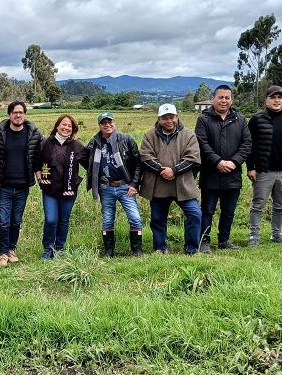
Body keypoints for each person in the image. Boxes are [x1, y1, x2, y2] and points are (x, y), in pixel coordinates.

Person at [139, 104, 202, 254]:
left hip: (183, 184)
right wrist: (163, 171)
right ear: (159, 119)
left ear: (177, 117)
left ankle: (191, 249)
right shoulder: (149, 135)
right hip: (158, 185)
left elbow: (192, 158)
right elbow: (146, 157)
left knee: (195, 214)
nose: (169, 121)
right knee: (157, 218)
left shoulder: (189, 135)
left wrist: (174, 170)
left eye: (171, 117)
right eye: (165, 118)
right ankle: (160, 248)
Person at [195, 85, 251, 252]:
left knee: (228, 211)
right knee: (207, 210)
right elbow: (202, 144)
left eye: (227, 98)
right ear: (214, 99)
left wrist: (234, 162)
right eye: (221, 97)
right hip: (210, 174)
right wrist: (218, 162)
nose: (224, 101)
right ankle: (204, 242)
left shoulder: (240, 120)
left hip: (232, 175)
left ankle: (224, 240)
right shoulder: (204, 119)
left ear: (231, 100)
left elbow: (247, 144)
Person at [0, 100, 44, 265]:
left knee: (16, 220)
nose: (18, 115)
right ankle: (3, 252)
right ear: (9, 115)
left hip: (22, 186)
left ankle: (11, 249)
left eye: (21, 112)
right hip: (4, 185)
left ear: (24, 115)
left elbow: (47, 147)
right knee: (3, 220)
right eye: (14, 112)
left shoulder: (33, 133)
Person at [85, 111, 143, 257]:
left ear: (114, 122)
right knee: (108, 219)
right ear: (99, 125)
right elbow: (87, 161)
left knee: (135, 218)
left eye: (109, 121)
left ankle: (137, 251)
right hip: (106, 188)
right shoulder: (94, 142)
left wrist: (134, 184)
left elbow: (138, 163)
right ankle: (109, 251)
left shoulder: (126, 139)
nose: (107, 125)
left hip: (125, 186)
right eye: (103, 123)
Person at [246, 86, 282, 246]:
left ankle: (276, 234)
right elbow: (249, 145)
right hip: (264, 171)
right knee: (258, 205)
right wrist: (250, 167)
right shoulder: (257, 119)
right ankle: (254, 236)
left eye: (280, 97)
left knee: (280, 205)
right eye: (273, 97)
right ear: (266, 100)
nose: (277, 100)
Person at [36, 114, 88, 259]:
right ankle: (48, 248)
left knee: (63, 220)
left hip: (69, 190)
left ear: (73, 130)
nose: (66, 127)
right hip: (49, 189)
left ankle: (59, 249)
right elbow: (36, 162)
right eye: (63, 124)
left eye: (69, 126)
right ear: (57, 126)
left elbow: (89, 163)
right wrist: (39, 176)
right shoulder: (45, 143)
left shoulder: (77, 145)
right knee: (51, 219)